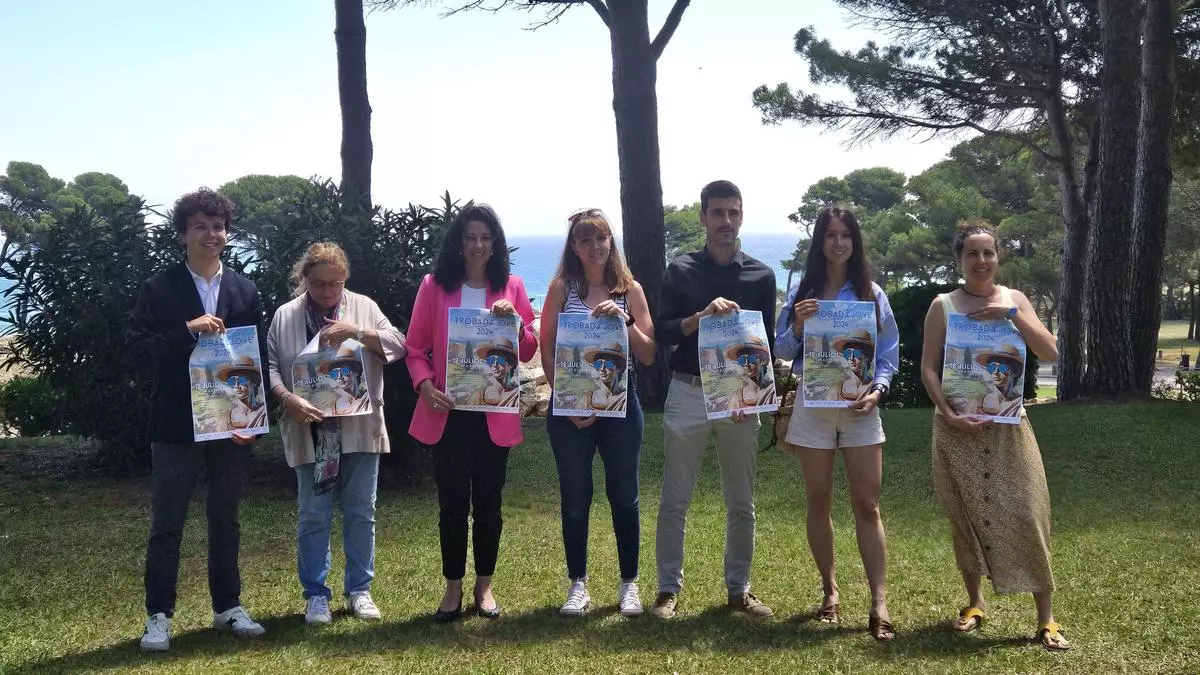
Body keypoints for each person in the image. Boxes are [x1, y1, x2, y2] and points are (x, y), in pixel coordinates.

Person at [126, 188, 268, 652]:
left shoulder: (245, 290)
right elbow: (135, 349)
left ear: (227, 233)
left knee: (226, 519)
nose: (211, 234)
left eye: (218, 226)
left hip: (230, 422)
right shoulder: (158, 288)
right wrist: (187, 330)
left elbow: (256, 358)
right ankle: (159, 615)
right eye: (200, 226)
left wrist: (252, 418)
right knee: (168, 522)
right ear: (183, 233)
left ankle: (228, 606)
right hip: (175, 424)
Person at [919, 221, 1070, 651]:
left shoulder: (1015, 300)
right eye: (972, 253)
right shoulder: (943, 305)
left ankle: (1046, 617)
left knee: (1028, 513)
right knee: (964, 516)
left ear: (998, 257)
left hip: (1009, 427)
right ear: (959, 259)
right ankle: (975, 602)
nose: (981, 261)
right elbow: (929, 369)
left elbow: (1051, 350)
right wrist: (949, 414)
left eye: (988, 252)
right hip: (955, 429)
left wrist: (1012, 316)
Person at [651, 180, 777, 620]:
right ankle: (667, 590)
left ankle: (739, 590)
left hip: (739, 399)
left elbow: (765, 344)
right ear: (703, 217)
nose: (726, 220)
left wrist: (752, 395)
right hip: (688, 391)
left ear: (741, 217)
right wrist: (700, 317)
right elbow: (662, 331)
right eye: (718, 212)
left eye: (733, 212)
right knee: (675, 499)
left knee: (742, 501)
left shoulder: (761, 276)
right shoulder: (680, 270)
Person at [406, 202, 538, 622]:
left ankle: (484, 585)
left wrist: (517, 325)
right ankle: (452, 587)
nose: (478, 245)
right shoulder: (434, 286)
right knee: (451, 504)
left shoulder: (513, 286)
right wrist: (425, 385)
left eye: (485, 237)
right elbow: (415, 349)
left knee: (489, 504)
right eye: (471, 237)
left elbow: (528, 349)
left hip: (494, 413)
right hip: (447, 411)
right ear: (459, 243)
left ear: (495, 243)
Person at [266, 242, 407, 625]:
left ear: (345, 278)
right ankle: (316, 595)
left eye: (335, 283)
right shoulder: (285, 316)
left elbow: (399, 346)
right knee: (313, 515)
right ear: (304, 279)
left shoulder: (364, 307)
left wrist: (357, 332)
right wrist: (286, 398)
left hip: (360, 428)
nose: (327, 291)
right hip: (309, 429)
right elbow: (271, 366)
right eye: (318, 284)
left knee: (361, 511)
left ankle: (360, 589)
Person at [775, 205, 899, 640]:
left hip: (861, 409)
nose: (839, 242)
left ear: (855, 241)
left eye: (846, 234)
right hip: (813, 409)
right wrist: (797, 324)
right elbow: (783, 351)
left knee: (868, 505)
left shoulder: (872, 294)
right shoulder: (802, 292)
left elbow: (888, 355)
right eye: (831, 235)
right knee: (818, 499)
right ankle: (830, 592)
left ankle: (879, 601)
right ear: (820, 242)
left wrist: (878, 391)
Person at [539, 208, 655, 617]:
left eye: (600, 238)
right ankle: (578, 584)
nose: (594, 247)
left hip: (621, 407)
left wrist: (625, 321)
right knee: (575, 497)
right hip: (570, 411)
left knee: (625, 496)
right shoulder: (561, 288)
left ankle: (629, 584)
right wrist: (566, 401)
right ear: (574, 246)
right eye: (585, 239)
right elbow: (547, 349)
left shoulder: (630, 290)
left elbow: (648, 353)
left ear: (611, 242)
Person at [220, 356, 267, 431]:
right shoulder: (226, 418)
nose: (236, 386)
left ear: (254, 382)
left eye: (242, 380)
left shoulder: (264, 412)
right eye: (232, 381)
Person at [977, 344, 1024, 417]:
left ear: (1015, 372)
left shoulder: (1017, 401)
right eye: (991, 367)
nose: (995, 372)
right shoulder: (980, 398)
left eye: (1002, 368)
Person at [728, 336, 775, 407]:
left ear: (763, 361)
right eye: (741, 360)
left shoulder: (772, 390)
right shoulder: (737, 395)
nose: (746, 364)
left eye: (751, 358)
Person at [583, 341, 629, 412]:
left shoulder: (626, 398)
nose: (602, 369)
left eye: (608, 364)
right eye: (598, 364)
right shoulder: (588, 398)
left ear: (619, 367)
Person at [474, 338, 521, 408]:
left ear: (511, 364)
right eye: (491, 360)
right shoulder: (481, 392)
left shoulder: (516, 392)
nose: (495, 365)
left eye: (500, 360)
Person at [833, 329, 875, 401]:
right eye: (847, 353)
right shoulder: (837, 388)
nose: (851, 358)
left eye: (857, 353)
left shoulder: (875, 385)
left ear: (867, 357)